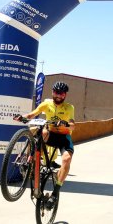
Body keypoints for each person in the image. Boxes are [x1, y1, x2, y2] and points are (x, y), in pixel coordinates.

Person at [15, 81, 75, 209]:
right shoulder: (46, 103)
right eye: (56, 93)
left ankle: (55, 192)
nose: (58, 96)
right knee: (43, 130)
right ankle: (32, 162)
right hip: (50, 134)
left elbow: (73, 125)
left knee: (67, 159)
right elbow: (32, 114)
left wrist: (65, 124)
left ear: (65, 95)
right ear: (52, 92)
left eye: (61, 94)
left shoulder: (69, 107)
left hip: (64, 137)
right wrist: (22, 117)